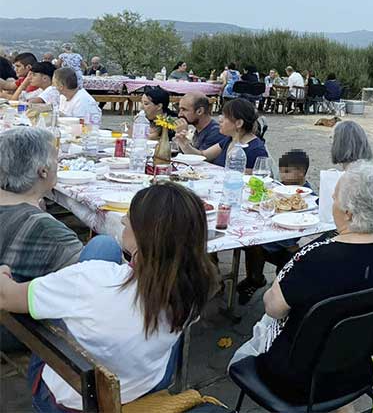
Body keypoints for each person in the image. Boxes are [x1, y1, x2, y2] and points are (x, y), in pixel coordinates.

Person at [0, 182, 218, 411]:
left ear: (143, 235)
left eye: (129, 218)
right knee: (103, 246)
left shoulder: (90, 279)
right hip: (145, 381)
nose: (123, 221)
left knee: (95, 257)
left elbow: (6, 297)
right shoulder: (197, 286)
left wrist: (4, 272)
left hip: (73, 401)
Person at [231, 163, 373, 406]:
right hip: (362, 368)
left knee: (269, 320)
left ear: (348, 212)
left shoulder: (317, 256)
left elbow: (273, 308)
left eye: (334, 197)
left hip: (298, 381)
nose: (332, 200)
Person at [0, 128, 84, 352]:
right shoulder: (48, 231)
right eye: (57, 160)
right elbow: (91, 282)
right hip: (15, 328)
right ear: (43, 171)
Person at [237, 149, 315, 304]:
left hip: (286, 241)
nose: (282, 176)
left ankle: (260, 281)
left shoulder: (306, 195)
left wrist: (290, 244)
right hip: (274, 233)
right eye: (281, 171)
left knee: (257, 245)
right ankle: (253, 277)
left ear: (301, 173)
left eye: (287, 172)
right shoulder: (282, 187)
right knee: (250, 242)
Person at [175, 98, 268, 171]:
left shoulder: (255, 149)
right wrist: (184, 145)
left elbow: (257, 180)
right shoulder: (229, 139)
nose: (220, 119)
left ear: (239, 123)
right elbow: (203, 156)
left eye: (225, 117)